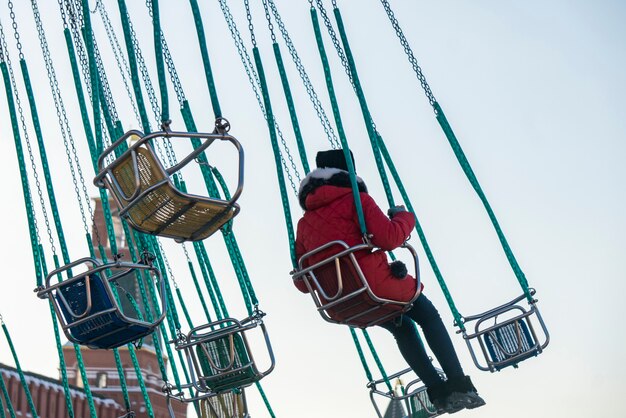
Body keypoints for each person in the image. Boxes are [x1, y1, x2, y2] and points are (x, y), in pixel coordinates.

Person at [293, 149, 485, 413]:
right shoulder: (357, 200)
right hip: (372, 287)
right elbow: (389, 238)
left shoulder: (303, 223)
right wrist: (404, 217)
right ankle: (459, 385)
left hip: (338, 302)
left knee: (402, 326)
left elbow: (303, 283)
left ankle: (438, 393)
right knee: (427, 314)